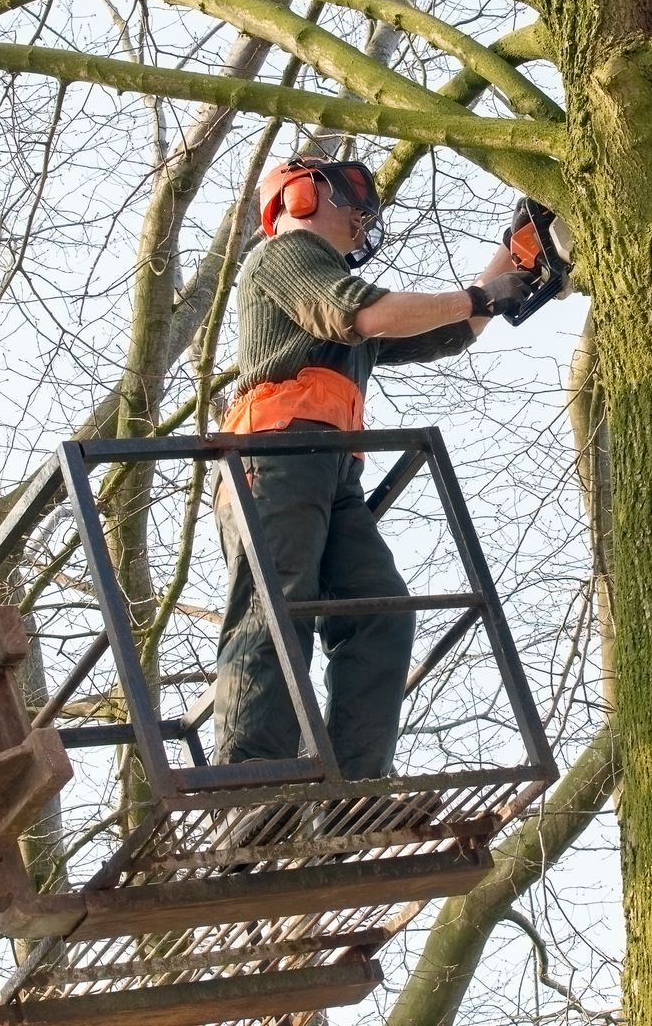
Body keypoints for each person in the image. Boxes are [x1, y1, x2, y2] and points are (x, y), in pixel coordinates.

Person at [211, 155, 534, 781]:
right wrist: (477, 293)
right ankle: (248, 786)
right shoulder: (285, 256)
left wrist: (513, 259)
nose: (362, 213)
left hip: (331, 469)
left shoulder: (336, 295)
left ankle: (353, 792)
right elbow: (362, 312)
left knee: (380, 612)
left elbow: (450, 328)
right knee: (276, 607)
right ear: (299, 197)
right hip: (273, 455)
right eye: (347, 196)